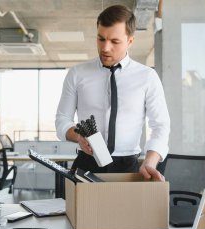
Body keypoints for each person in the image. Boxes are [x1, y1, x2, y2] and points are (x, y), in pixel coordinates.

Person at [55, 5, 170, 181]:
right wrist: (77, 136)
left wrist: (150, 161)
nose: (105, 48)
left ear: (130, 41)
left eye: (115, 42)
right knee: (82, 210)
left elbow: (160, 125)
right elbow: (62, 121)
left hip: (129, 166)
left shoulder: (147, 77)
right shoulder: (77, 74)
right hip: (86, 164)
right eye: (101, 39)